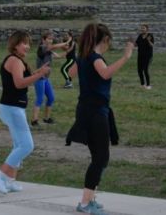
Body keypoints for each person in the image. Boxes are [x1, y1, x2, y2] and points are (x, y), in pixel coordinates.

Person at [66, 23, 133, 215]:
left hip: (87, 110)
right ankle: (85, 203)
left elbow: (70, 74)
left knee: (98, 156)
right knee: (101, 157)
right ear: (104, 40)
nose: (109, 45)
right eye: (109, 41)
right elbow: (105, 73)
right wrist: (126, 57)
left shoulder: (84, 57)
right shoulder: (95, 58)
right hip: (96, 112)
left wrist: (80, 62)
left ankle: (91, 199)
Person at [0, 30, 51, 194]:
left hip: (13, 107)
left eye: (29, 43)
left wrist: (38, 72)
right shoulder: (14, 60)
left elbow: (23, 79)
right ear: (15, 44)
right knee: (27, 145)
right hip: (12, 108)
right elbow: (20, 83)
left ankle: (9, 180)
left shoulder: (18, 60)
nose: (28, 46)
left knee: (18, 145)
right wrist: (39, 75)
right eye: (24, 43)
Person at [31, 31, 68, 126]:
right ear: (44, 39)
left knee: (51, 98)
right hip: (39, 77)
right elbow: (54, 47)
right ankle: (34, 121)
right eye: (49, 38)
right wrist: (65, 43)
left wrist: (70, 49)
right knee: (40, 99)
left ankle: (46, 118)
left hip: (46, 78)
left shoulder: (49, 50)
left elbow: (59, 56)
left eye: (51, 39)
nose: (50, 40)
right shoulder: (42, 48)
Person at [135, 24, 154, 90]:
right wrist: (131, 43)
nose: (142, 29)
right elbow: (136, 44)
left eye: (143, 28)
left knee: (145, 70)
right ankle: (142, 84)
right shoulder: (140, 36)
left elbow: (152, 45)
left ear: (147, 29)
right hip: (140, 55)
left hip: (148, 56)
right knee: (139, 70)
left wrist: (148, 40)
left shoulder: (150, 36)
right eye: (141, 28)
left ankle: (148, 85)